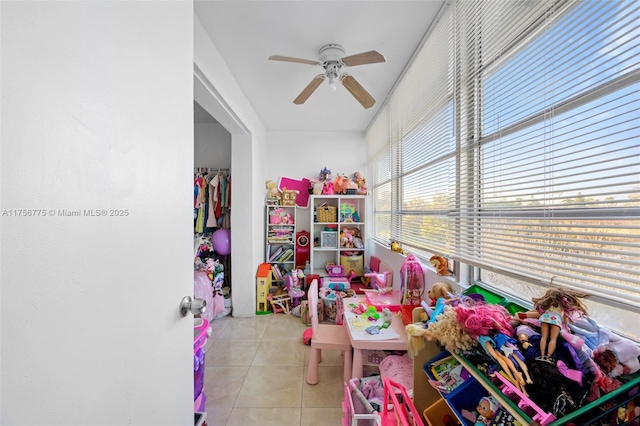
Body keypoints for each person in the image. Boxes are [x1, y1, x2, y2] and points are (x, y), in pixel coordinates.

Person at [517, 284, 588, 362]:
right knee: (552, 339)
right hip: (556, 320)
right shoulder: (562, 304)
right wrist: (567, 326)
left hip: (545, 318)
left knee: (544, 337)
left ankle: (542, 355)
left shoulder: (547, 303)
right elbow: (565, 316)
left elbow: (540, 312)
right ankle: (548, 357)